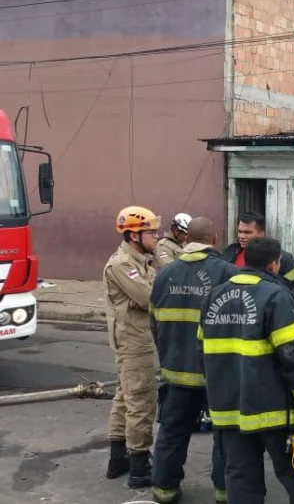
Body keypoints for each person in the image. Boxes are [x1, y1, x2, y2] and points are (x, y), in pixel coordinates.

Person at [198, 237, 294, 504]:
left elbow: (202, 352)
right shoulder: (276, 297)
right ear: (274, 264)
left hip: (229, 409)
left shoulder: (214, 296)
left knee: (241, 477)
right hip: (274, 413)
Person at [150, 217, 239, 504]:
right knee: (224, 435)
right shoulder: (227, 273)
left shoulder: (165, 274)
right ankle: (223, 492)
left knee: (172, 432)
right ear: (214, 240)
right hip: (217, 375)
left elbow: (154, 322)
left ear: (186, 240)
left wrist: (168, 356)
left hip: (176, 371)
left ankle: (165, 490)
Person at [103, 206, 161, 488]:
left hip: (134, 337)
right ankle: (139, 466)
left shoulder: (141, 261)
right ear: (133, 235)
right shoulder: (122, 265)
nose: (156, 236)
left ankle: (118, 459)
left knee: (125, 398)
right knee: (141, 401)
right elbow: (149, 297)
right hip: (133, 340)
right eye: (151, 232)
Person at [221, 211, 294, 301]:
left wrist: (279, 305)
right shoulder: (230, 252)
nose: (242, 236)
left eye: (247, 232)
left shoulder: (281, 257)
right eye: (240, 232)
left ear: (261, 234)